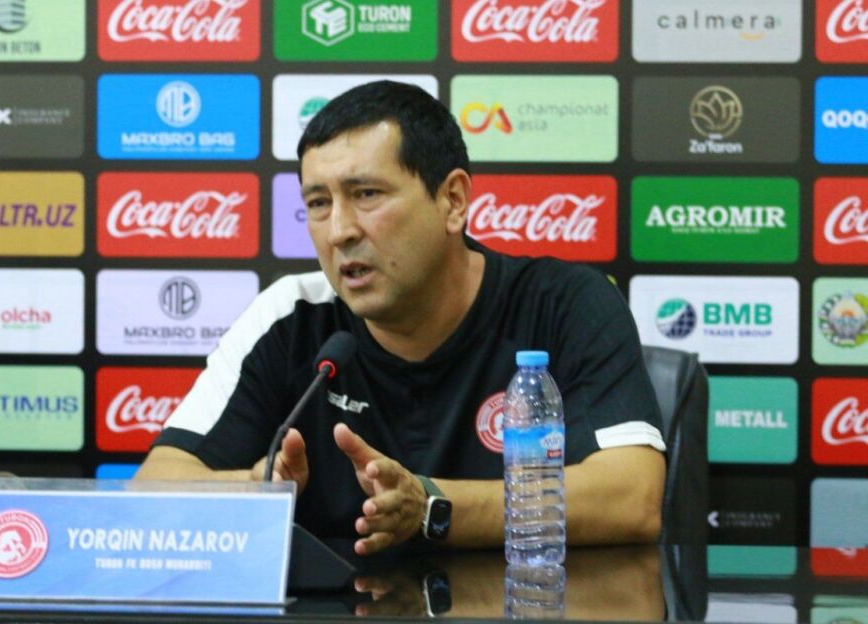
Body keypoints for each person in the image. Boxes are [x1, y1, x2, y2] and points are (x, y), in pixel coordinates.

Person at [136, 81, 666, 556]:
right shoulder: (291, 315)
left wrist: (429, 506)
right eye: (318, 203)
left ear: (453, 200)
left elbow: (632, 498)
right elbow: (153, 487)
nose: (339, 230)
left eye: (366, 194)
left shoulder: (564, 304)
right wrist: (255, 489)